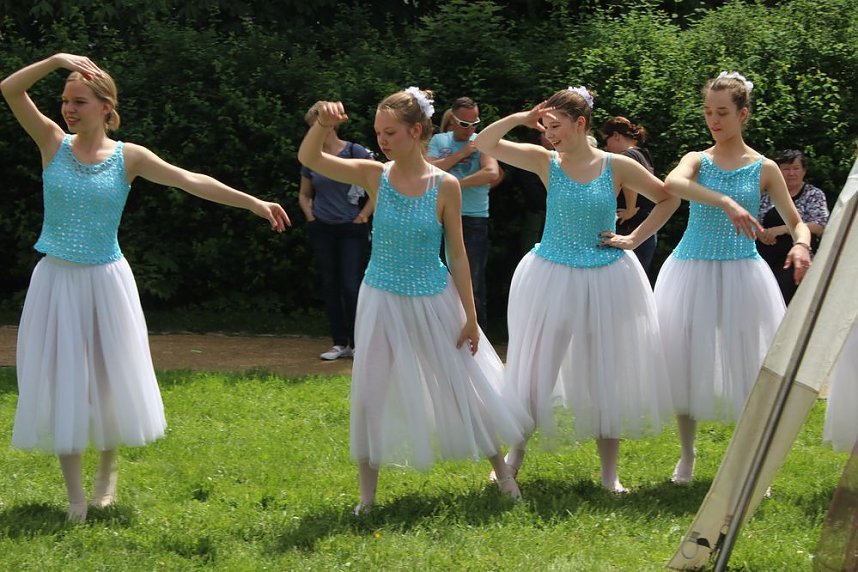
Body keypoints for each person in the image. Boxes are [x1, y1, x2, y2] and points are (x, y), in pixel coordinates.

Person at [1, 53, 290, 523]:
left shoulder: (128, 157)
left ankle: (106, 475)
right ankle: (75, 498)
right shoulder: (51, 141)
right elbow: (10, 89)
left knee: (107, 378)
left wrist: (253, 203)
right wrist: (55, 61)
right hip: (56, 281)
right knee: (63, 379)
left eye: (79, 101)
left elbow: (190, 180)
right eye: (65, 100)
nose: (68, 109)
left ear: (105, 106)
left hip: (106, 281)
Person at [297, 87, 530, 513]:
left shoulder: (446, 186)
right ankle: (367, 499)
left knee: (463, 384)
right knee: (370, 393)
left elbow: (457, 254)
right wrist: (323, 125)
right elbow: (310, 158)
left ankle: (502, 473)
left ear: (416, 131)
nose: (382, 140)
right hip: (380, 298)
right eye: (378, 132)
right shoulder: (373, 175)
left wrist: (470, 316)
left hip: (433, 297)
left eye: (390, 132)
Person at [475, 86, 679, 493]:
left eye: (556, 126)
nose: (549, 134)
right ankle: (515, 456)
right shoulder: (545, 162)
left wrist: (634, 238)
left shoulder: (617, 165)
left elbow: (667, 198)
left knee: (606, 374)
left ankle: (610, 475)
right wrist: (521, 118)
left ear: (581, 123)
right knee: (538, 370)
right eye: (545, 127)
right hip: (553, 276)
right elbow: (484, 143)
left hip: (606, 279)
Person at [657, 72, 812, 484]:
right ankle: (687, 455)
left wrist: (801, 245)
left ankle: (747, 463)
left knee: (750, 366)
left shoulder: (764, 167)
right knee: (685, 361)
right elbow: (673, 182)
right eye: (708, 111)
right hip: (691, 268)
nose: (714, 120)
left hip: (743, 271)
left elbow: (797, 222)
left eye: (723, 112)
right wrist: (724, 200)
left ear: (743, 114)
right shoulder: (697, 159)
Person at [299, 102, 375, 360]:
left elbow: (377, 186)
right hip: (322, 228)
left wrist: (363, 216)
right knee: (330, 285)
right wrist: (311, 216)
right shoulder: (311, 158)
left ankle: (359, 343)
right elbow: (304, 194)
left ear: (330, 125)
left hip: (352, 229)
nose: (312, 132)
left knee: (351, 286)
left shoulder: (355, 152)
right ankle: (339, 343)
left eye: (316, 126)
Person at [427, 97, 500, 331]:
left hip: (474, 219)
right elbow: (428, 170)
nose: (471, 130)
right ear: (452, 119)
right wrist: (461, 154)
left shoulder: (482, 141)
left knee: (473, 283)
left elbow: (491, 172)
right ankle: (444, 336)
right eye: (465, 124)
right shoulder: (439, 140)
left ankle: (479, 338)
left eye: (475, 124)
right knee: (440, 280)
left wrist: (455, 185)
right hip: (441, 219)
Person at [757, 149, 829, 304]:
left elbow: (820, 225)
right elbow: (753, 221)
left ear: (804, 171)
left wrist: (782, 229)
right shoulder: (765, 195)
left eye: (796, 168)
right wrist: (762, 233)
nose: (791, 173)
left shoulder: (814, 194)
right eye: (786, 169)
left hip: (795, 259)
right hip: (764, 256)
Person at [601, 116, 659, 279]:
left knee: (624, 279)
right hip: (645, 226)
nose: (606, 147)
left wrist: (630, 209)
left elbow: (629, 184)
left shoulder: (626, 155)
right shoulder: (642, 154)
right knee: (640, 277)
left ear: (616, 135)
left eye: (606, 140)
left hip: (630, 227)